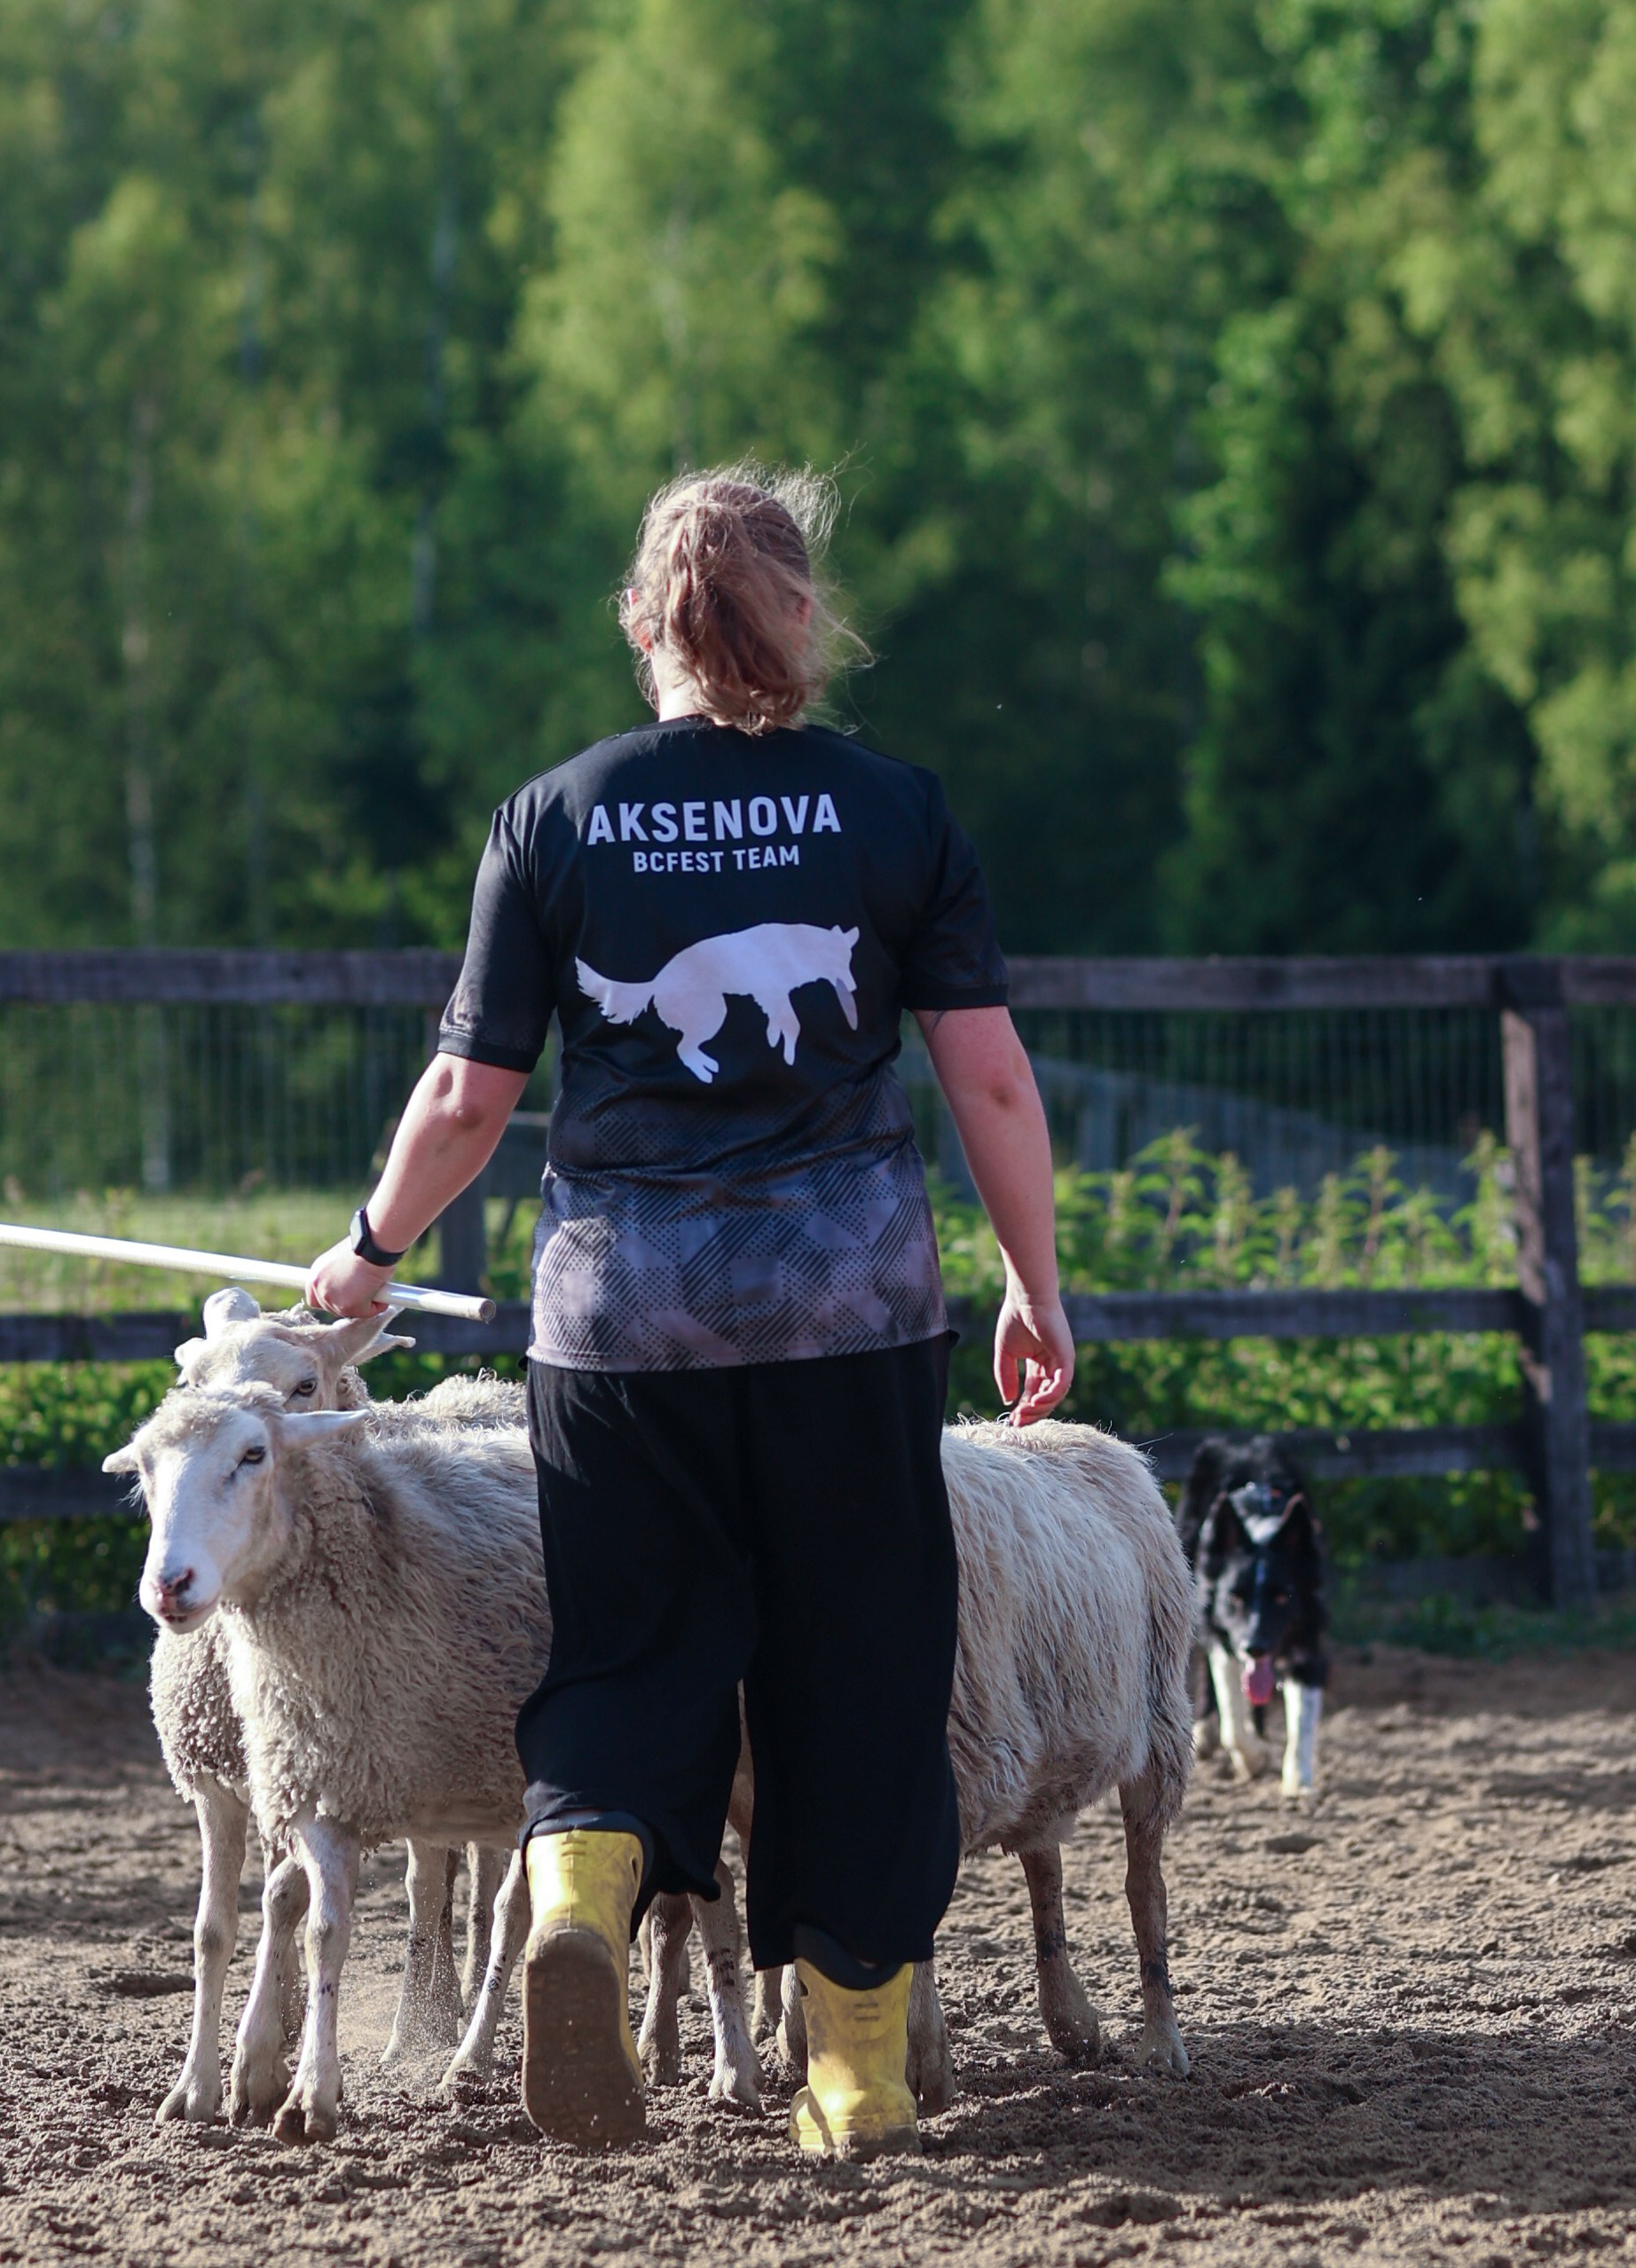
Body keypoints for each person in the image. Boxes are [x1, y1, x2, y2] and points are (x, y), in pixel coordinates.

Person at [307, 463, 1074, 2159]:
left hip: (623, 1332)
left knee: (629, 1646)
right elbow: (992, 1083)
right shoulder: (896, 809)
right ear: (801, 616)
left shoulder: (556, 816)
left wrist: (368, 1249)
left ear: (642, 627)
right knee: (859, 1670)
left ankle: (580, 1897)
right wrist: (1034, 1283)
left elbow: (468, 1095)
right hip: (848, 1322)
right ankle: (855, 2071)